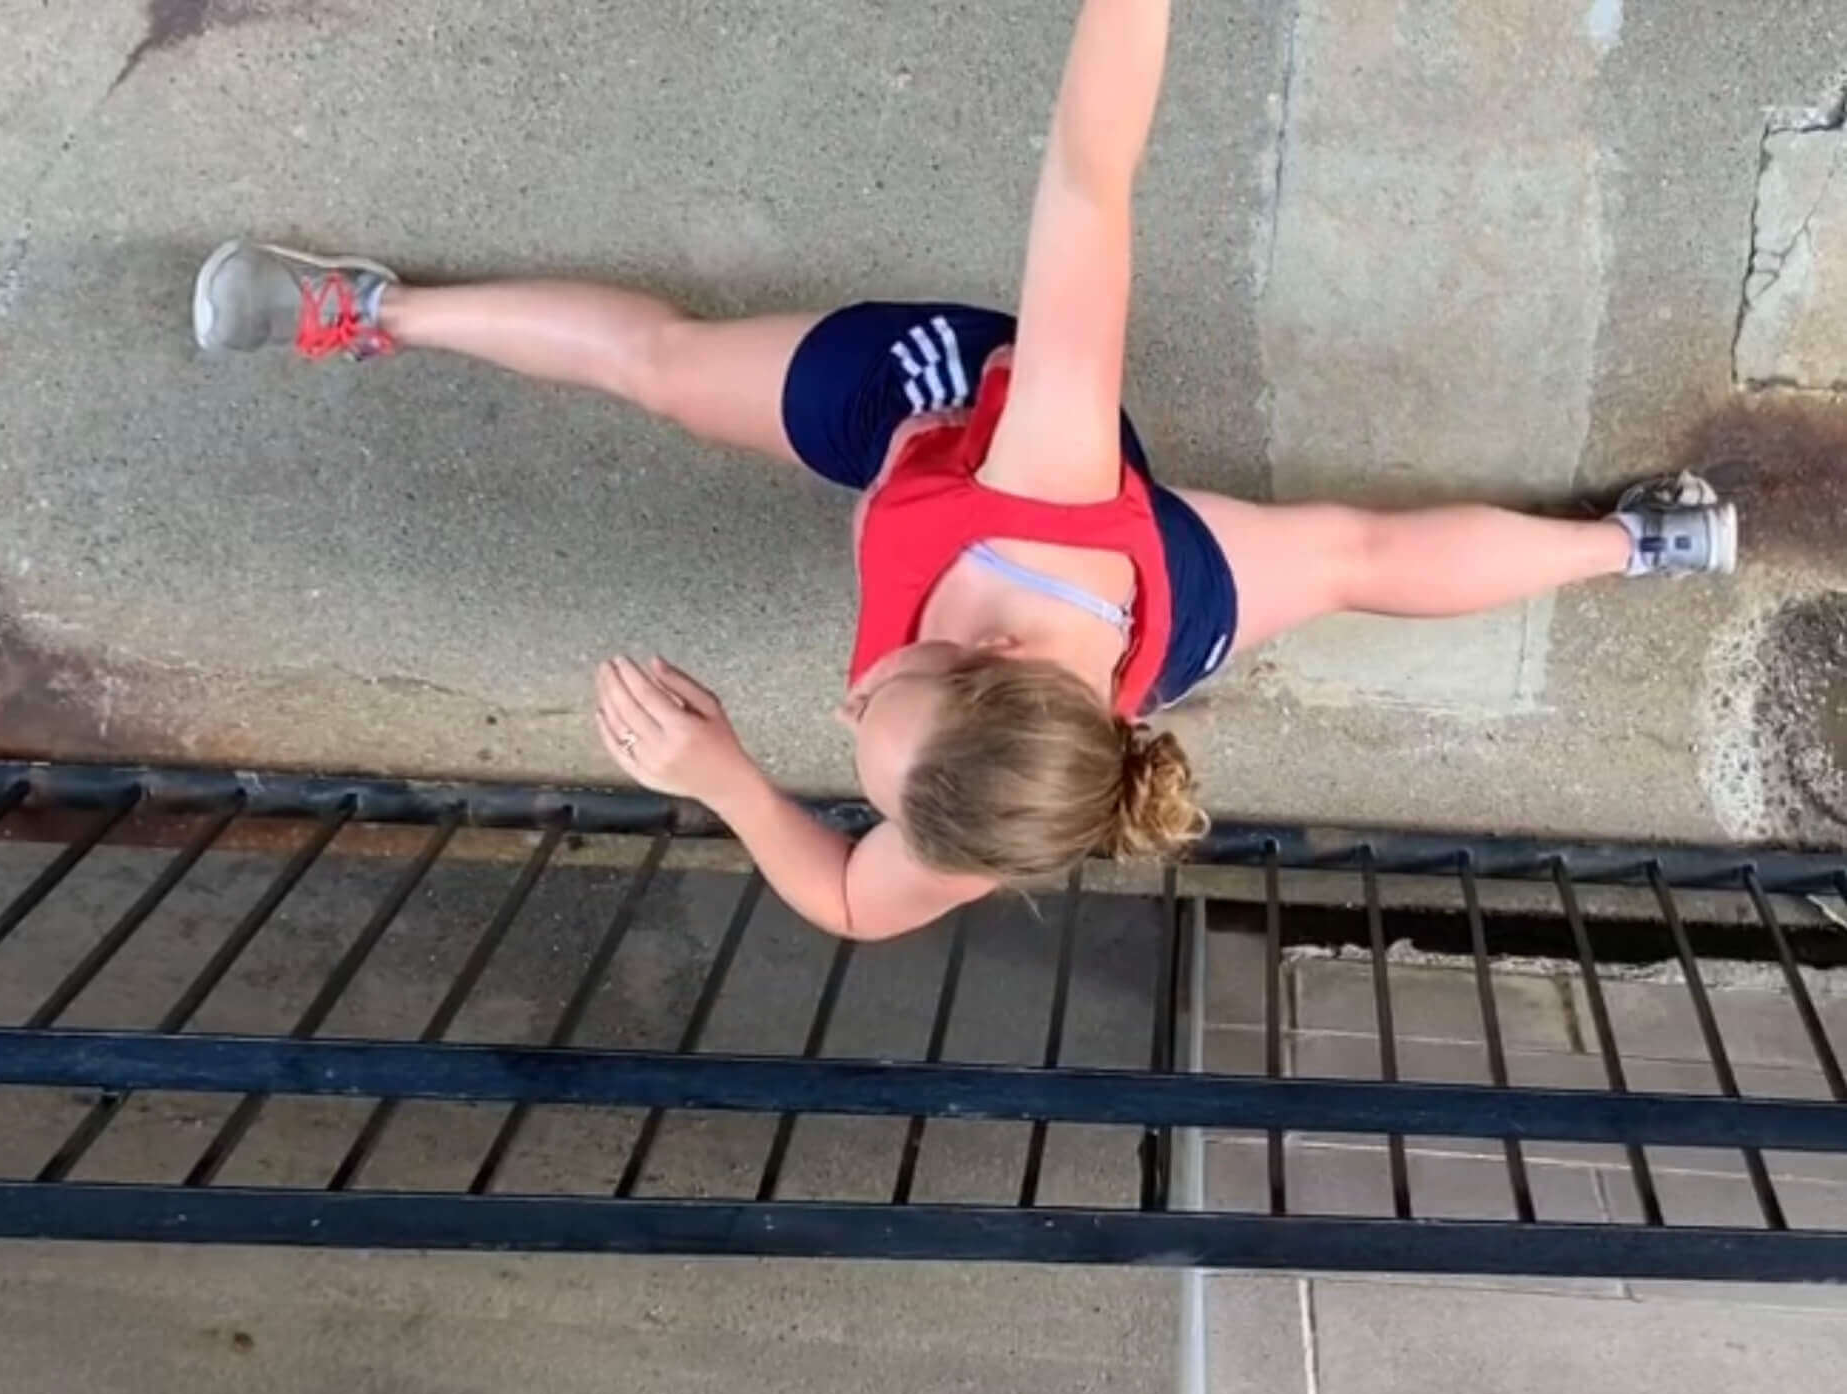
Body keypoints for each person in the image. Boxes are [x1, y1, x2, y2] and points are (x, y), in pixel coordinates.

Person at [192, 0, 1734, 942]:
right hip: (1022, 489)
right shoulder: (1045, 470)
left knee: (1354, 562)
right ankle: (372, 307)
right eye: (884, 697)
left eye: (850, 736)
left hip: (1003, 578)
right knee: (1346, 559)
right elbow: (1089, 178)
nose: (850, 696)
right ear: (989, 650)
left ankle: (1653, 548)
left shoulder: (979, 813)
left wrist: (725, 777)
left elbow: (857, 903)